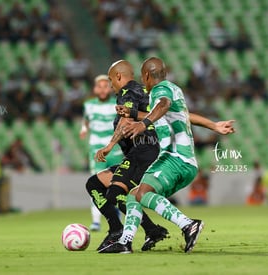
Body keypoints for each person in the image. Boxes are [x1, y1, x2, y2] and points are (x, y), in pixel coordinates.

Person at [99, 57, 235, 253]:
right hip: (183, 162)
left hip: (175, 158)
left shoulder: (160, 90)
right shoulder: (173, 88)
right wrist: (213, 125)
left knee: (144, 193)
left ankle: (188, 225)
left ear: (146, 76)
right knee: (134, 195)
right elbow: (177, 115)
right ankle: (125, 242)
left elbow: (163, 105)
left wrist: (142, 124)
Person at [85, 61, 169, 251]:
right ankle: (147, 230)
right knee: (95, 184)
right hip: (141, 153)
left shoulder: (127, 92)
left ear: (119, 77)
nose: (111, 85)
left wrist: (110, 145)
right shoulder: (141, 90)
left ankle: (120, 236)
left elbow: (126, 120)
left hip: (144, 153)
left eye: (110, 80)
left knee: (116, 193)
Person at [80, 74, 124, 232]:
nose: (103, 88)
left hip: (115, 150)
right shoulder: (89, 105)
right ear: (95, 88)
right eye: (100, 86)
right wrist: (84, 129)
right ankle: (96, 220)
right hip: (96, 150)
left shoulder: (117, 104)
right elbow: (85, 120)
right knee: (95, 184)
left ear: (110, 88)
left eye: (106, 85)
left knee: (117, 184)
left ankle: (118, 217)